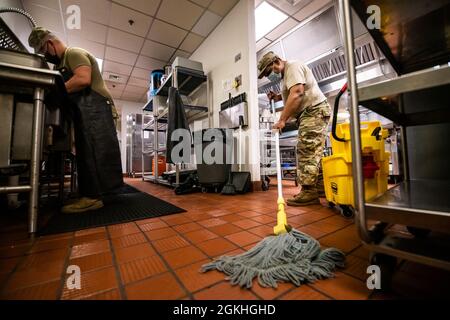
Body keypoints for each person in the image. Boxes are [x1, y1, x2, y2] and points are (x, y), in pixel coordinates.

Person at [28, 27, 123, 214]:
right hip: (86, 109)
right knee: (87, 150)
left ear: (49, 43)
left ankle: (94, 197)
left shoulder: (73, 53)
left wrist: (56, 92)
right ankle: (94, 193)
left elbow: (83, 79)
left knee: (95, 149)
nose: (45, 56)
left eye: (43, 51)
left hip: (96, 105)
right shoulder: (61, 63)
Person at [258, 51, 330, 206]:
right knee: (314, 151)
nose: (269, 75)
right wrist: (278, 97)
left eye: (269, 71)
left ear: (276, 61)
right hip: (311, 113)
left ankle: (309, 192)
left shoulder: (293, 66)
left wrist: (282, 120)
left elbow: (297, 93)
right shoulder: (286, 75)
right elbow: (291, 93)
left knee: (307, 150)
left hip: (314, 111)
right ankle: (321, 187)